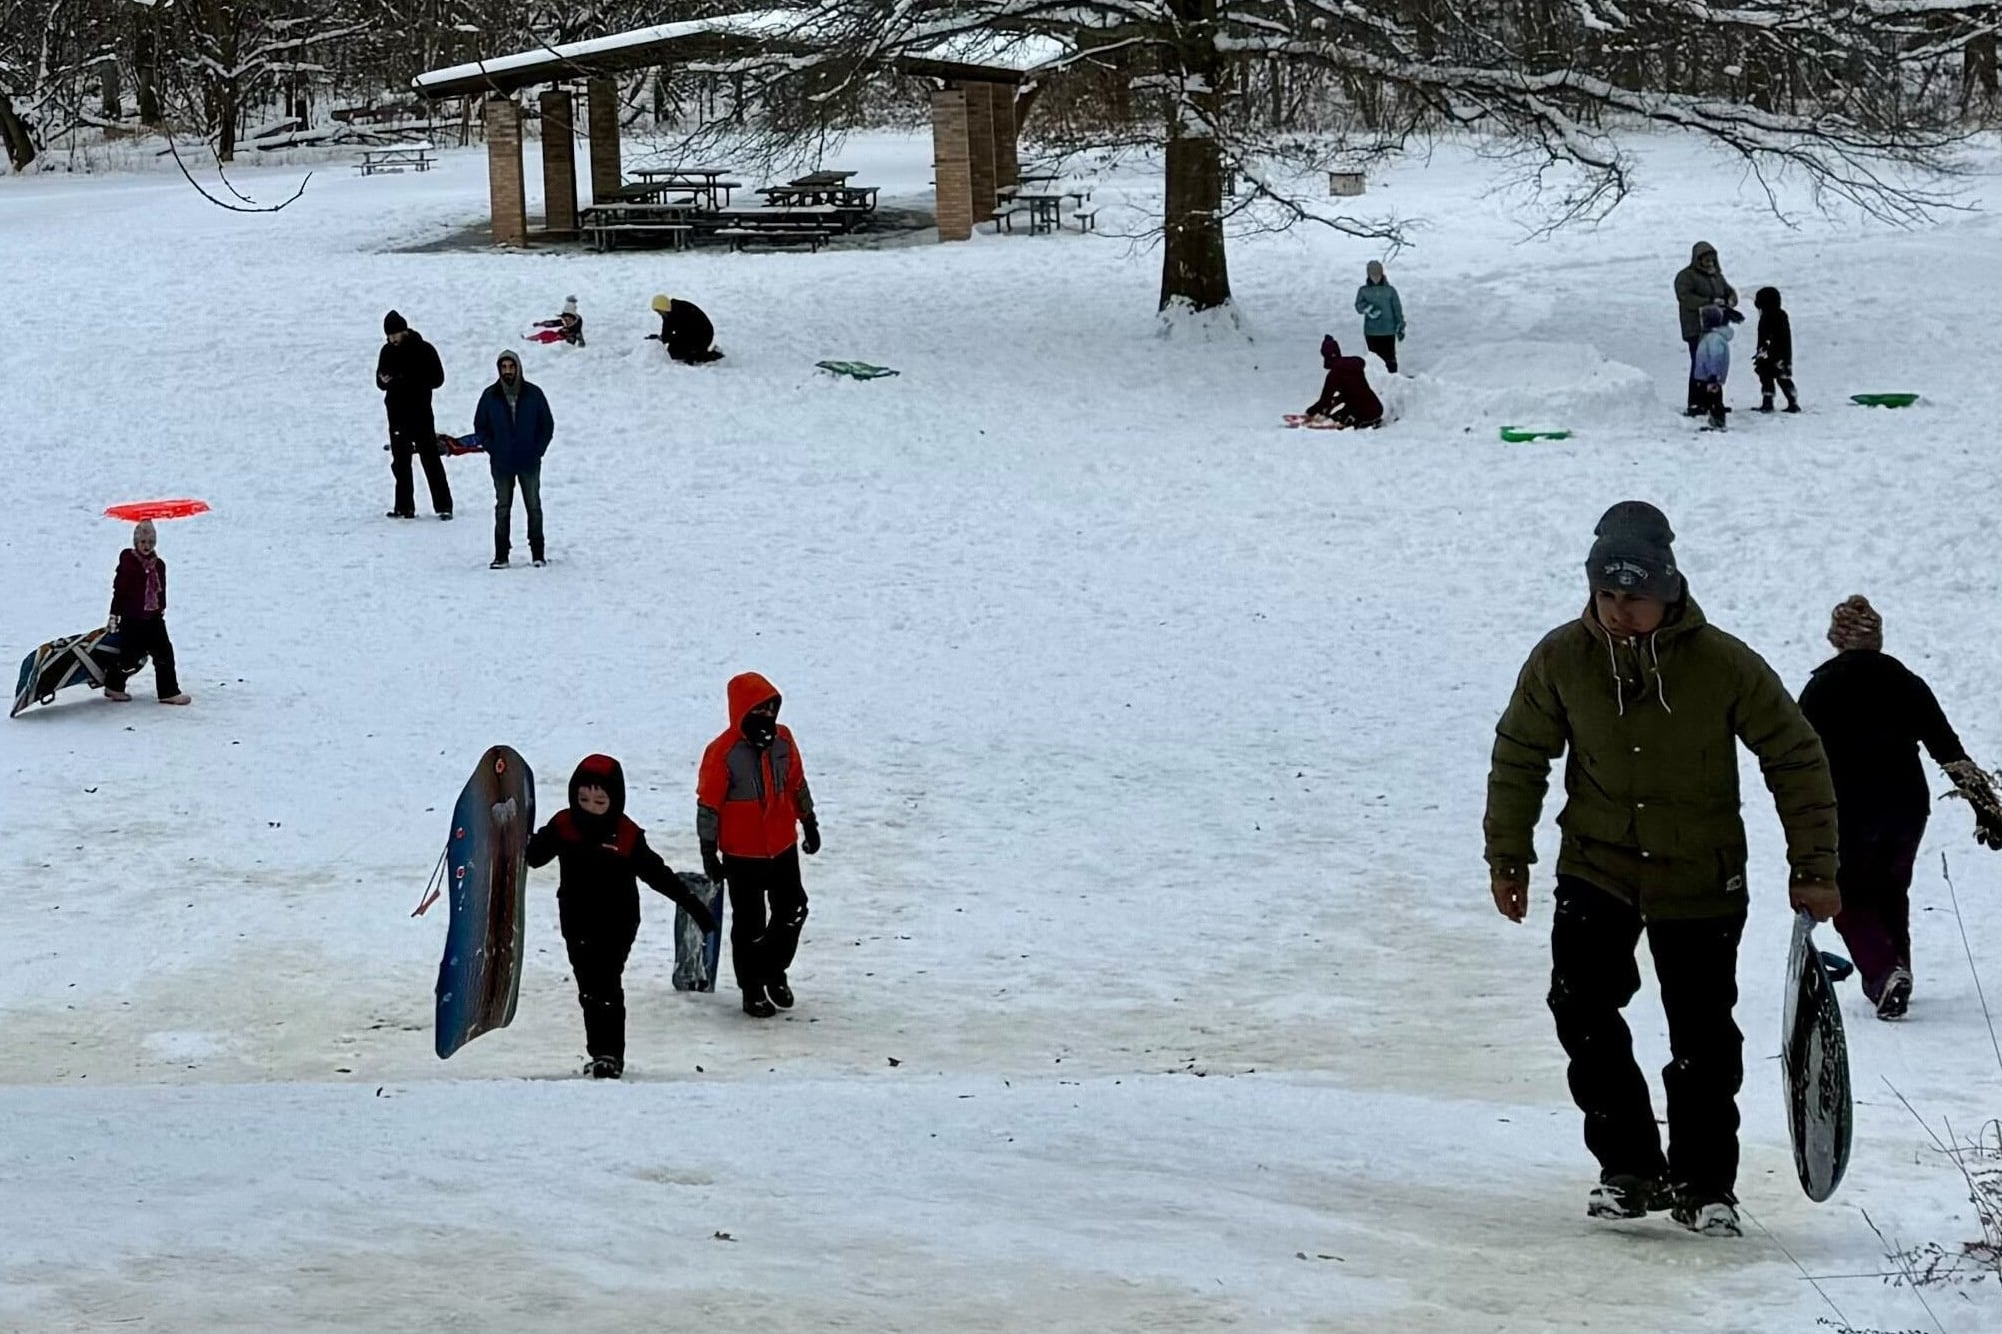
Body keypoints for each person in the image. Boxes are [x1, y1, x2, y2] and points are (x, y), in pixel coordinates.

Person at [1484, 501, 1839, 1238]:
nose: (1619, 611)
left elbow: (1795, 757)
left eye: (1634, 596)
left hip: (1700, 878)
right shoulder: (1561, 659)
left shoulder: (1723, 664)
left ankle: (1706, 1184)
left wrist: (1815, 867)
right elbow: (1521, 754)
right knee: (1580, 1009)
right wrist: (1507, 855)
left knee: (1702, 1034)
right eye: (1606, 595)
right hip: (1597, 865)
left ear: (1668, 591)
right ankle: (1629, 1168)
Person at [1799, 596, 2002, 1019]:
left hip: (1850, 810)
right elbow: (1949, 751)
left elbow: (1797, 758)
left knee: (1851, 896)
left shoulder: (1821, 688)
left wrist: (1801, 816)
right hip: (1907, 807)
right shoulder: (1907, 682)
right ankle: (1896, 974)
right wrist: (1987, 810)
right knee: (1891, 891)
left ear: (1837, 640)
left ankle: (1884, 972)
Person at [526, 755, 717, 1079]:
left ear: (615, 799)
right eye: (583, 799)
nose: (590, 806)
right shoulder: (564, 825)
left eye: (599, 800)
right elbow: (534, 857)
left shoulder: (626, 836)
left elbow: (659, 875)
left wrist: (695, 908)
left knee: (606, 983)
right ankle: (599, 1051)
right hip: (576, 919)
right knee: (589, 987)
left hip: (618, 921)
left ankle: (610, 1055)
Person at [697, 672, 820, 1018]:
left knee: (793, 910)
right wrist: (709, 851)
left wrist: (809, 822)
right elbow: (708, 805)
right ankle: (752, 987)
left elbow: (797, 784)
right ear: (741, 710)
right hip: (741, 854)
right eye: (759, 709)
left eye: (771, 708)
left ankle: (773, 971)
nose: (767, 716)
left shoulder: (784, 741)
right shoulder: (722, 752)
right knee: (750, 925)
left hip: (782, 847)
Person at [472, 350, 554, 569]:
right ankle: (501, 555)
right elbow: (481, 427)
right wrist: (494, 448)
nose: (508, 371)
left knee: (533, 507)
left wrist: (537, 450)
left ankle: (538, 553)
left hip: (529, 461)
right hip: (502, 463)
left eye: (511, 367)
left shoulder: (534, 394)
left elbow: (546, 425)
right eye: (504, 367)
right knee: (503, 507)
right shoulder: (490, 396)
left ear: (518, 367)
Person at [103, 519, 190, 706]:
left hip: (153, 618)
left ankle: (168, 691)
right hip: (132, 619)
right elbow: (120, 591)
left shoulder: (159, 565)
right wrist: (114, 614)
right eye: (143, 542)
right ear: (136, 542)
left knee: (165, 653)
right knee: (130, 658)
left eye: (150, 542)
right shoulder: (129, 563)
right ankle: (114, 685)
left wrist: (161, 607)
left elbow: (161, 589)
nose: (147, 546)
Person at [377, 310, 452, 520]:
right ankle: (403, 507)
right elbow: (379, 382)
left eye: (395, 334)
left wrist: (406, 380)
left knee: (430, 459)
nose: (392, 339)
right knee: (400, 462)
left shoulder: (424, 349)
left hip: (420, 413)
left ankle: (444, 506)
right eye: (389, 336)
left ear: (405, 331)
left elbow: (438, 379)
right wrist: (383, 380)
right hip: (396, 414)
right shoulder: (386, 352)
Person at [1673, 243, 1737, 416]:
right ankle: (1695, 403)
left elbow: (1729, 292)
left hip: (1715, 328)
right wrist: (1709, 301)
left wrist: (1730, 299)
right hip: (1696, 329)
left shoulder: (1717, 276)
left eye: (1712, 259)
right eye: (1706, 259)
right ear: (1698, 259)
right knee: (1699, 364)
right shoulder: (1686, 276)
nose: (1710, 263)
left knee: (1714, 366)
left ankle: (1715, 403)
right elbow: (1685, 298)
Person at [1304, 335, 1385, 428]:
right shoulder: (1354, 366)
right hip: (1376, 408)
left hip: (1362, 413)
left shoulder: (1333, 374)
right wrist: (1334, 401)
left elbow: (1325, 400)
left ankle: (1362, 422)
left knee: (1334, 419)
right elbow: (1352, 392)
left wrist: (1311, 412)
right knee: (1348, 408)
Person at [1752, 287, 1799, 414]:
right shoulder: (1778, 315)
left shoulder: (1771, 317)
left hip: (1773, 354)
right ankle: (1787, 401)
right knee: (1777, 377)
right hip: (1777, 354)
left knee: (1773, 377)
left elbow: (1769, 336)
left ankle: (1774, 401)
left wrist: (1764, 349)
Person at [1692, 304, 1738, 431]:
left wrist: (1713, 375)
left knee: (1714, 400)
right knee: (1711, 398)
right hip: (1708, 375)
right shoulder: (1711, 337)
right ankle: (1714, 420)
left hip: (1711, 376)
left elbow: (1715, 357)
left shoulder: (1713, 339)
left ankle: (1718, 421)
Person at [1354, 261, 1406, 373]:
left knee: (1390, 358)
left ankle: (1393, 381)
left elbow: (1397, 309)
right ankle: (1378, 383)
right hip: (1372, 332)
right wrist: (1369, 309)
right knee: (1375, 361)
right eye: (1373, 275)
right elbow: (1358, 306)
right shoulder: (1363, 291)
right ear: (1369, 275)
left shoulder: (1390, 291)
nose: (1376, 278)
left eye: (1378, 275)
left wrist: (1400, 326)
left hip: (1388, 330)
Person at [648, 294, 723, 364]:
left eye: (659, 311)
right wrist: (661, 338)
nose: (658, 313)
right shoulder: (668, 312)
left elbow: (685, 332)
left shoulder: (680, 311)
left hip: (704, 335)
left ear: (663, 307)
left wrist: (669, 339)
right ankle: (696, 353)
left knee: (680, 352)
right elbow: (667, 330)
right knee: (673, 350)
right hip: (691, 333)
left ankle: (711, 355)